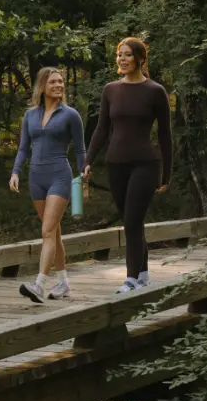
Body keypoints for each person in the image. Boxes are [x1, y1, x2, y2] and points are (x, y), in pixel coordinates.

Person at [83, 37, 172, 295]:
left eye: (128, 54)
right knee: (131, 220)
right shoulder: (110, 90)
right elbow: (102, 129)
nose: (122, 59)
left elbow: (165, 134)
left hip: (145, 164)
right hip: (116, 164)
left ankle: (131, 279)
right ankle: (143, 274)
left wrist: (166, 174)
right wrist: (88, 160)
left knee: (132, 219)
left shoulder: (155, 91)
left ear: (140, 59)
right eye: (119, 54)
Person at [9, 67, 86, 303]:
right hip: (36, 178)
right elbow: (23, 148)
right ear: (42, 86)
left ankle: (39, 285)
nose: (59, 85)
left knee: (47, 231)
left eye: (61, 81)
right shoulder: (30, 116)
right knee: (54, 231)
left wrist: (83, 179)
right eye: (53, 82)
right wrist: (15, 172)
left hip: (60, 176)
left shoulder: (71, 115)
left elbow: (81, 150)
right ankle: (63, 282)